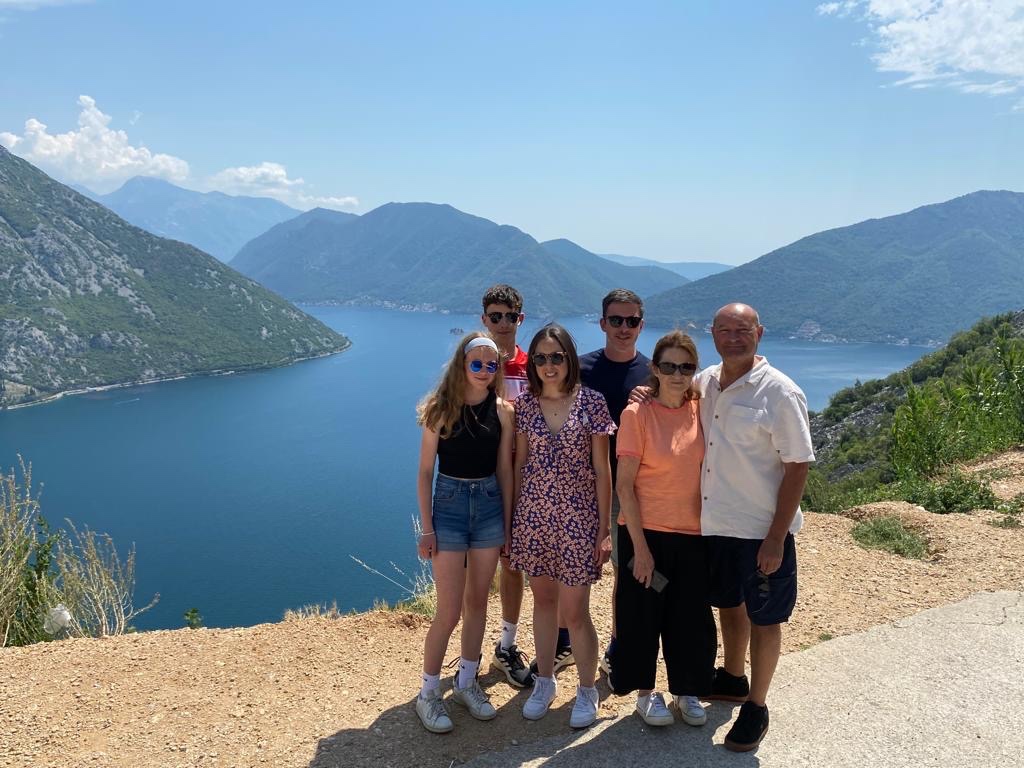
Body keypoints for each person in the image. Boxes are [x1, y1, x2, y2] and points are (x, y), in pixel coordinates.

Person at [699, 303, 814, 751]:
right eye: (724, 330)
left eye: (742, 330)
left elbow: (797, 467)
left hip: (762, 531)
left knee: (766, 619)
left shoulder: (780, 392)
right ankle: (732, 678)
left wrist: (775, 538)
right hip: (716, 526)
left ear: (759, 333)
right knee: (729, 604)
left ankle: (757, 707)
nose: (733, 338)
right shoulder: (705, 382)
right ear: (712, 333)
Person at [510, 324, 614, 728]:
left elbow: (602, 471)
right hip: (534, 518)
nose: (548, 365)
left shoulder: (592, 403)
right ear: (532, 363)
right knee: (544, 603)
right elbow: (519, 465)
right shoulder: (525, 406)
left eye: (556, 357)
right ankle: (546, 681)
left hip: (577, 519)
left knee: (575, 612)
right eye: (540, 358)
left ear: (570, 358)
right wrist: (514, 519)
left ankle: (587, 690)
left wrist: (604, 530)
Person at [610, 331, 717, 728]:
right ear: (654, 369)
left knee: (689, 617)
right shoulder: (636, 414)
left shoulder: (701, 409)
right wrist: (640, 549)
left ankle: (687, 690)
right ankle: (644, 694)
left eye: (685, 366)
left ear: (694, 370)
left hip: (692, 534)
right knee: (642, 616)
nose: (677, 374)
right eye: (668, 366)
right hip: (646, 532)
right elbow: (624, 485)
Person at [414, 332, 515, 733]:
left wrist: (507, 523)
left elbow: (505, 470)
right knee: (449, 610)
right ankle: (427, 693)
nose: (485, 371)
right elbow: (424, 472)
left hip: (489, 505)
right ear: (462, 364)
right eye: (477, 363)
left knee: (478, 603)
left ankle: (468, 682)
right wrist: (427, 528)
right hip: (450, 507)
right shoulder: (440, 409)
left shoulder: (504, 410)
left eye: (492, 365)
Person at [578, 288, 650, 677]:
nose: (624, 328)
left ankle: (619, 646)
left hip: (630, 490)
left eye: (632, 320)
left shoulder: (655, 373)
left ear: (641, 324)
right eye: (616, 320)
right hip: (581, 488)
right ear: (602, 323)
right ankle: (566, 642)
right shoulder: (580, 369)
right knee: (574, 570)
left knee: (625, 573)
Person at [480, 285, 535, 689]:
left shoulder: (535, 367)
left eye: (509, 317)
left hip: (523, 479)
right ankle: (468, 655)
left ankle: (506, 646)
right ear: (484, 319)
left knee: (512, 564)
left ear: (521, 319)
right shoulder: (474, 364)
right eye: (495, 316)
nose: (502, 323)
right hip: (478, 480)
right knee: (474, 571)